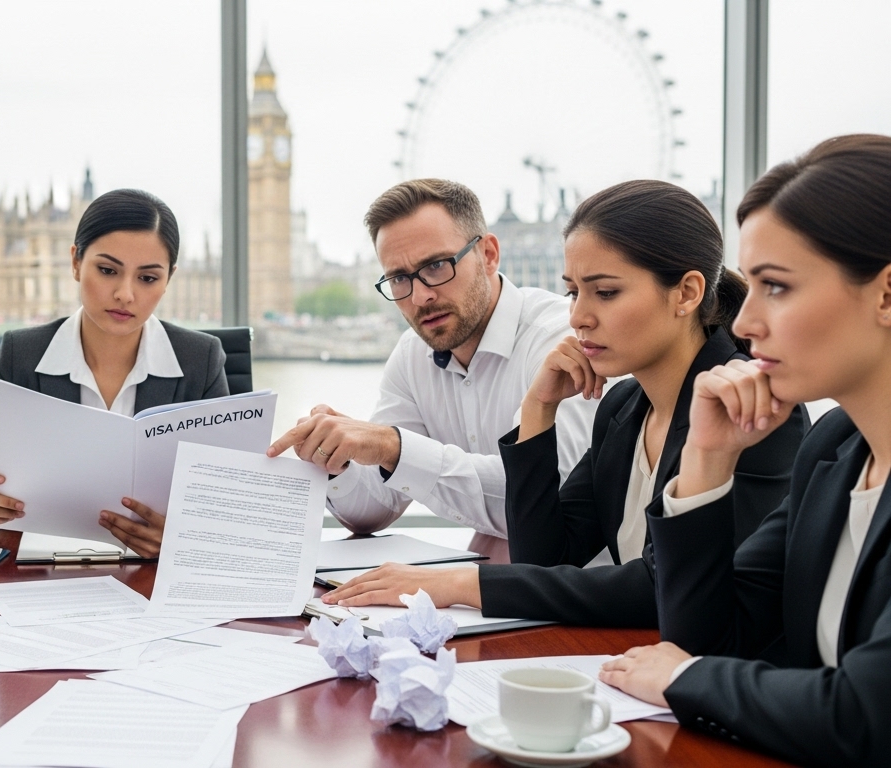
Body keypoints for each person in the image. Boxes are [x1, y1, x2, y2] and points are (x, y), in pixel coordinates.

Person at [322, 181, 807, 629]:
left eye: (606, 292)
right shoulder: (623, 410)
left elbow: (668, 585)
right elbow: (546, 555)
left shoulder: (756, 414)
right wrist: (537, 410)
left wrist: (460, 585)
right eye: (573, 292)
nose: (577, 317)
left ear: (686, 293)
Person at [597, 135, 891, 767]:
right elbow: (707, 640)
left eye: (777, 287)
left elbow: (867, 715)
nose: (743, 323)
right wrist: (707, 460)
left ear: (886, 295)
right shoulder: (834, 449)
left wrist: (682, 679)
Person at [267, 179, 598, 553]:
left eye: (437, 266)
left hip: (584, 595)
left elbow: (553, 500)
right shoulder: (412, 355)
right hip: (490, 587)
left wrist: (395, 448)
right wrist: (337, 463)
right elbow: (374, 509)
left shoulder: (561, 339)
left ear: (488, 254)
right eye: (399, 279)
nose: (421, 295)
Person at [0, 189, 228, 557]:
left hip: (152, 581)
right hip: (44, 577)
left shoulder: (200, 359)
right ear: (75, 262)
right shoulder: (21, 355)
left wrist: (183, 539)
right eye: (108, 271)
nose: (125, 294)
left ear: (169, 278)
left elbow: (224, 505)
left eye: (148, 278)